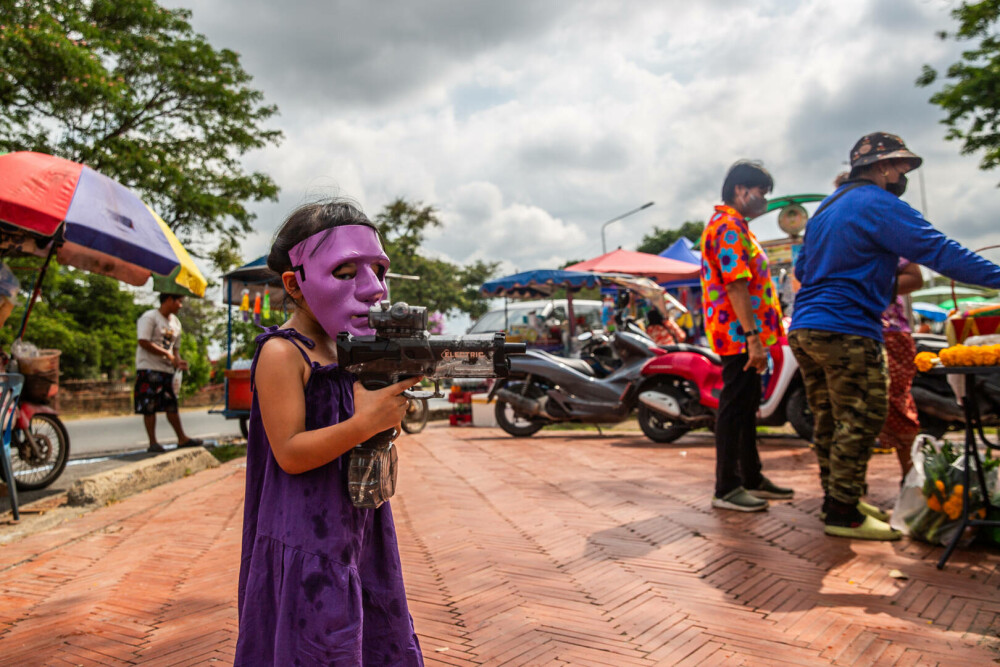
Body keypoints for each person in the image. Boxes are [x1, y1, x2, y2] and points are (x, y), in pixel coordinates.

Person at [236, 199, 424, 665]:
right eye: (345, 271)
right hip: (306, 539)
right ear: (294, 283)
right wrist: (366, 422)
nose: (372, 289)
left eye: (379, 271)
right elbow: (290, 453)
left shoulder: (351, 351)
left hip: (360, 529)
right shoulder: (284, 353)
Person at [790, 131, 1000, 541]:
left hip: (805, 328)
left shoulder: (825, 211)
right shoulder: (879, 204)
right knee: (864, 416)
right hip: (846, 327)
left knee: (830, 420)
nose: (903, 173)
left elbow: (802, 274)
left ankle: (837, 498)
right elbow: (941, 252)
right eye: (900, 165)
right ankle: (843, 513)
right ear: (883, 166)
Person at [701, 160, 794, 512]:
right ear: (741, 190)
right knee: (734, 408)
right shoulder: (727, 227)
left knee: (746, 406)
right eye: (761, 193)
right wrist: (752, 336)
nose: (764, 201)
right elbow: (736, 284)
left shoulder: (737, 226)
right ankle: (726, 486)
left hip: (745, 333)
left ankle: (751, 477)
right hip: (738, 333)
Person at [134, 293, 202, 453]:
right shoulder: (150, 317)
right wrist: (167, 355)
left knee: (171, 404)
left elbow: (175, 349)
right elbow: (143, 341)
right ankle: (153, 442)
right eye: (179, 301)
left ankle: (182, 438)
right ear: (169, 300)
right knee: (149, 405)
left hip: (167, 369)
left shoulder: (175, 323)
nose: (180, 305)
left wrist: (178, 361)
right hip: (148, 367)